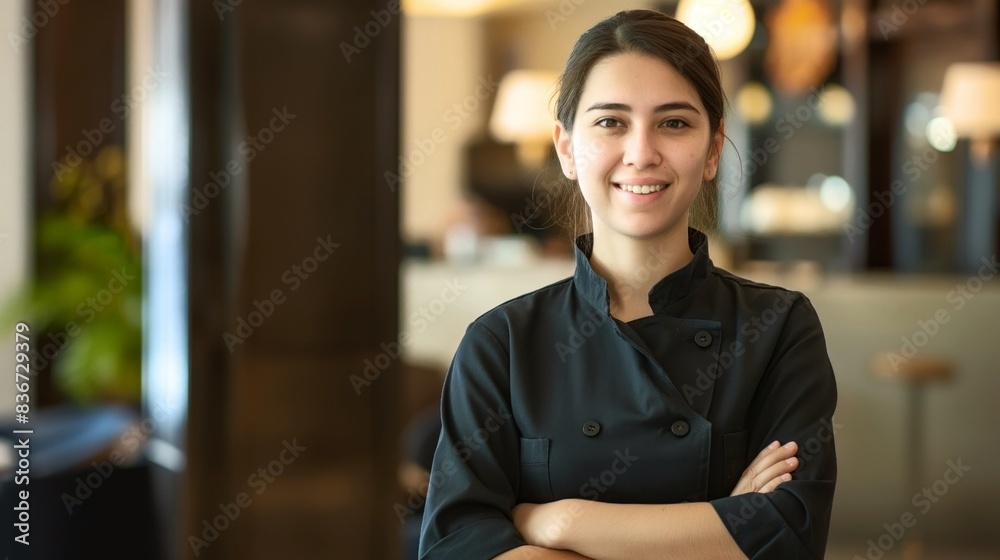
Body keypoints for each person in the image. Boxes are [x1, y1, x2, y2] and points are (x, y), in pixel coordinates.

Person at [418, 9, 837, 560]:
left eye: (675, 122)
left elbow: (790, 533)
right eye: (611, 122)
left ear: (713, 151)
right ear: (567, 149)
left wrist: (559, 522)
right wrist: (720, 530)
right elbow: (456, 544)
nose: (641, 153)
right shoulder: (502, 343)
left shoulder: (778, 327)